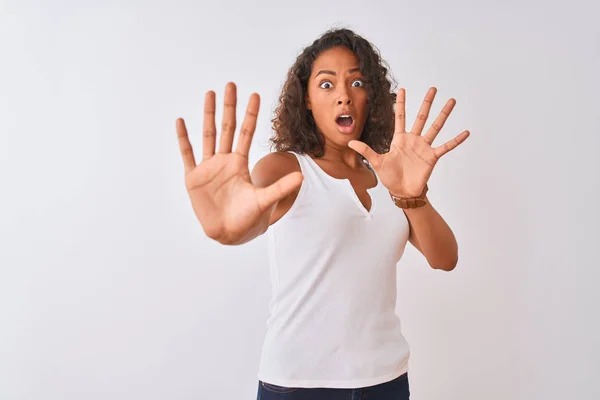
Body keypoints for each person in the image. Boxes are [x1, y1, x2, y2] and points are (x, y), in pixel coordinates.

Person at [175, 28, 469, 400]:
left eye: (357, 81)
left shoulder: (387, 173)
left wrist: (412, 195)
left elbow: (445, 258)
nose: (344, 95)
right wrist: (228, 230)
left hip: (386, 380)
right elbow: (248, 222)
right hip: (300, 385)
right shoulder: (286, 168)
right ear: (308, 100)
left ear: (370, 96)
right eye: (326, 84)